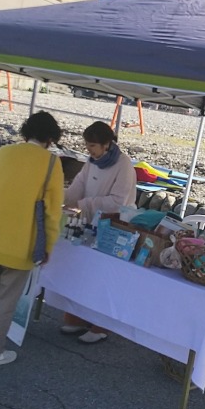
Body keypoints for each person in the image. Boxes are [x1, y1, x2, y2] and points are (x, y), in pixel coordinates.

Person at [0, 111, 64, 368]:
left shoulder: (3, 153)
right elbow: (53, 213)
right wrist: (48, 246)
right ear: (51, 138)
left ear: (26, 131)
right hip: (22, 242)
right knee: (5, 301)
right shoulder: (52, 164)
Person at [60, 120, 137, 343]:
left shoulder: (123, 165)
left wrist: (85, 204)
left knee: (103, 277)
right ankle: (76, 318)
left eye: (92, 146)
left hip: (115, 228)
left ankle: (101, 326)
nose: (89, 150)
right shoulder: (92, 161)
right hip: (90, 223)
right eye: (87, 145)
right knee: (82, 271)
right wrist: (60, 199)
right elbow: (78, 185)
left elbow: (118, 201)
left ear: (107, 145)